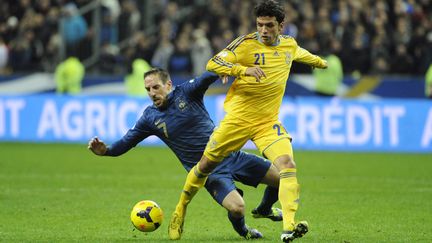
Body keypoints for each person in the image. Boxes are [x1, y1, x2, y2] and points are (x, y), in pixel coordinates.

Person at [169, 1, 328, 242]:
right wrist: (241, 70)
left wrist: (319, 62)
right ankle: (181, 208)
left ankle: (288, 228)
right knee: (204, 166)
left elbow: (299, 54)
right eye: (260, 25)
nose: (263, 30)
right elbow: (213, 63)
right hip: (237, 121)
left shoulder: (288, 44)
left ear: (281, 26)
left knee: (287, 165)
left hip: (267, 122)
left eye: (269, 26)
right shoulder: (245, 44)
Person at [88, 68, 283, 239]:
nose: (152, 93)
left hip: (233, 156)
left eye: (156, 87)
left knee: (283, 179)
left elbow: (206, 77)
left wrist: (229, 70)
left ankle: (264, 209)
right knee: (237, 207)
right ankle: (245, 232)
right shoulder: (149, 118)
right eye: (148, 89)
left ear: (169, 84)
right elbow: (126, 142)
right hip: (208, 172)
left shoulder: (186, 93)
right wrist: (106, 151)